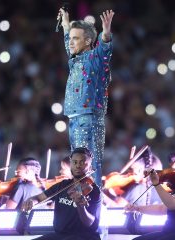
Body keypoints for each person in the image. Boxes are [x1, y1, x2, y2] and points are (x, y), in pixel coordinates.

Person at [59, 8, 115, 187]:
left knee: (87, 162)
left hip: (89, 118)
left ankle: (92, 198)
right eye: (71, 38)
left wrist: (106, 34)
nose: (70, 42)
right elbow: (68, 41)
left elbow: (104, 50)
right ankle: (79, 195)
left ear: (88, 41)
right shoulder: (74, 60)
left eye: (76, 38)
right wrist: (66, 24)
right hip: (75, 117)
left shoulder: (94, 59)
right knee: (76, 163)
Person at [22, 147, 102, 240]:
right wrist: (31, 200)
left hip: (83, 237)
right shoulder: (63, 185)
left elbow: (90, 223)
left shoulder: (94, 191)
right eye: (75, 162)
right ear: (71, 164)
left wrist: (81, 207)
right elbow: (40, 198)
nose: (78, 166)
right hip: (61, 235)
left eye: (82, 163)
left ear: (90, 167)